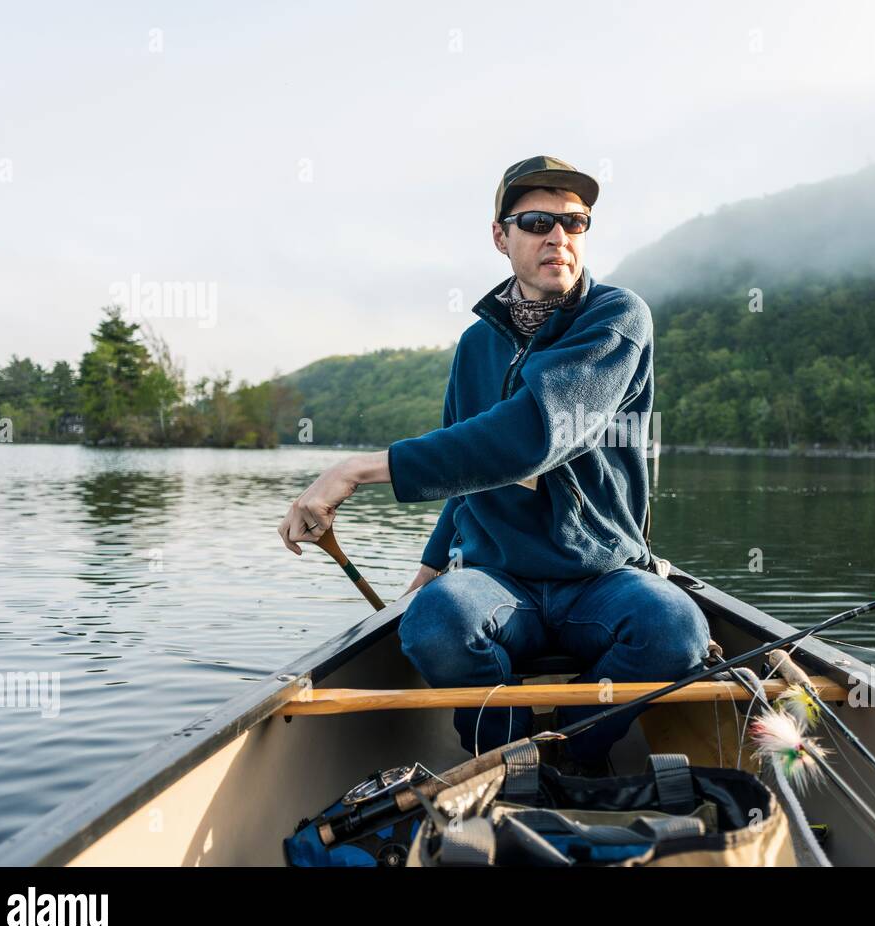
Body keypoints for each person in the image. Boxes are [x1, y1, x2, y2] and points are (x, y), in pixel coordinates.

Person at [278, 155, 710, 772]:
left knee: (676, 630)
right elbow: (468, 464)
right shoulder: (475, 346)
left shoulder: (617, 318)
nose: (558, 236)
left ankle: (578, 750)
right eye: (536, 221)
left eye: (576, 222)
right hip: (500, 580)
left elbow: (531, 434)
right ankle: (506, 761)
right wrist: (431, 569)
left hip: (602, 575)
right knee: (433, 624)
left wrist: (353, 470)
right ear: (500, 236)